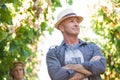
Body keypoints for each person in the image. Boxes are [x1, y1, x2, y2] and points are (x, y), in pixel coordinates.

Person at [46, 8, 106, 80]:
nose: (76, 24)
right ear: (62, 27)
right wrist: (90, 69)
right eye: (71, 21)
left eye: (77, 21)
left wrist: (71, 67)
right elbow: (57, 76)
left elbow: (101, 67)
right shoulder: (54, 53)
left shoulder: (92, 47)